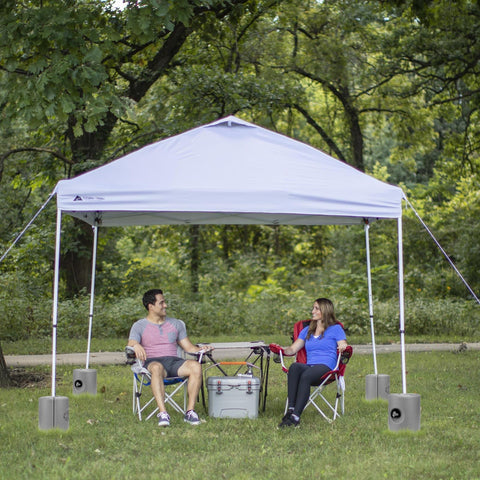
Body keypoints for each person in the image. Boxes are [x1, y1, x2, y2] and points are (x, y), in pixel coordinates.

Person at [128, 288, 214, 427]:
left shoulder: (176, 324)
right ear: (151, 306)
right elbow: (131, 343)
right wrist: (135, 345)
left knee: (195, 366)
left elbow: (189, 347)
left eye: (164, 302)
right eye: (161, 303)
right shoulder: (139, 326)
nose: (165, 305)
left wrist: (201, 349)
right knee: (156, 367)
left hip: (174, 362)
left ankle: (190, 412)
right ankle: (163, 413)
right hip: (152, 363)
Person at [270, 297, 347, 428]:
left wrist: (343, 346)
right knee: (294, 367)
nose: (313, 311)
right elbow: (293, 349)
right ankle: (291, 410)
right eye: (313, 308)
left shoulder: (335, 329)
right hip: (310, 367)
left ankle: (295, 417)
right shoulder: (307, 331)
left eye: (316, 308)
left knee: (306, 376)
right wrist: (281, 350)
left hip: (327, 367)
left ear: (325, 310)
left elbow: (343, 343)